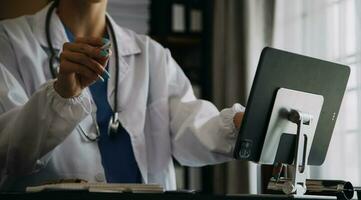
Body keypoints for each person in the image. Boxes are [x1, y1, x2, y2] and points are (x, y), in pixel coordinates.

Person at [0, 0, 245, 191]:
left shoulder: (152, 55)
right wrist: (60, 95)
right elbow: (10, 151)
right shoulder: (10, 41)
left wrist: (240, 124)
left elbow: (192, 130)